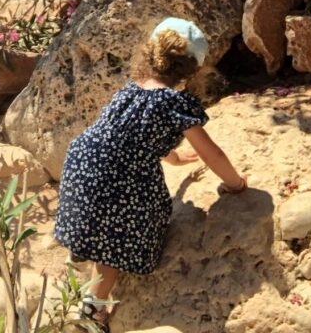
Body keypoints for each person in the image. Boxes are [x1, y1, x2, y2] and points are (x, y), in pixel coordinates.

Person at [54, 17, 246, 332]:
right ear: (192, 70)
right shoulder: (174, 104)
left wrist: (171, 157)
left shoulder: (130, 91)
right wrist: (235, 184)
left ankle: (86, 247)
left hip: (83, 163)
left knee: (102, 223)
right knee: (120, 237)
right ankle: (92, 309)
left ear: (151, 52)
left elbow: (131, 136)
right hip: (115, 180)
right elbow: (212, 153)